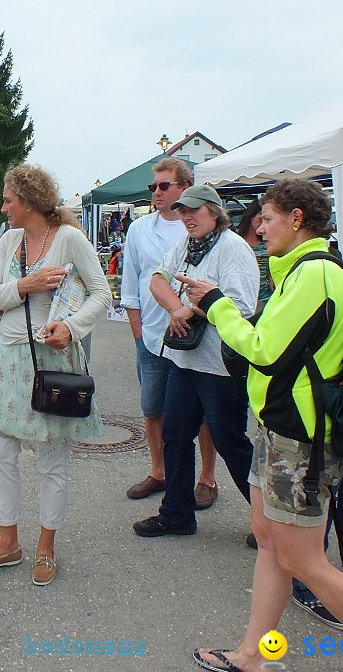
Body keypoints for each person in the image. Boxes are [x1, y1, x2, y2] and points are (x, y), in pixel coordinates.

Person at [181, 178, 343, 672]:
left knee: (304, 562)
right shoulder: (302, 269)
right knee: (271, 543)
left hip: (301, 439)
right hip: (282, 430)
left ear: (296, 218)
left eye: (266, 218)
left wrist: (215, 304)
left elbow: (265, 351)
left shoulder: (313, 273)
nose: (258, 227)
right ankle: (251, 655)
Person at [0, 163, 109, 587]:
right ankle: (7, 542)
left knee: (50, 460)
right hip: (10, 359)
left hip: (52, 362)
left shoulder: (68, 239)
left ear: (27, 202)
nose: (3, 206)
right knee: (0, 454)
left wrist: (72, 327)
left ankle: (46, 546)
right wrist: (27, 285)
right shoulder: (10, 241)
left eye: (8, 199)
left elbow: (102, 293)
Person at [132, 184, 258, 537]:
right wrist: (176, 309)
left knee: (231, 443)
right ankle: (177, 515)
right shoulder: (188, 245)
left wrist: (189, 310)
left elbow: (244, 305)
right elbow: (157, 279)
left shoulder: (233, 248)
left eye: (194, 210)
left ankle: (271, 525)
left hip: (220, 366)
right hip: (185, 361)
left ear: (214, 213)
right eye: (183, 211)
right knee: (175, 436)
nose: (187, 216)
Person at [121, 158, 220, 510]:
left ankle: (207, 477)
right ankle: (159, 472)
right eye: (154, 187)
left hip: (199, 336)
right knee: (153, 407)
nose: (157, 193)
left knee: (203, 411)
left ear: (185, 189)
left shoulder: (199, 227)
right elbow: (131, 281)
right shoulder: (139, 229)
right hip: (152, 336)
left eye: (165, 186)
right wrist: (136, 328)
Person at [237, 199, 272, 312]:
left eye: (267, 220)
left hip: (264, 295)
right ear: (250, 216)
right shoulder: (235, 239)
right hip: (242, 295)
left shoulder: (268, 240)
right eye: (260, 219)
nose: (263, 225)